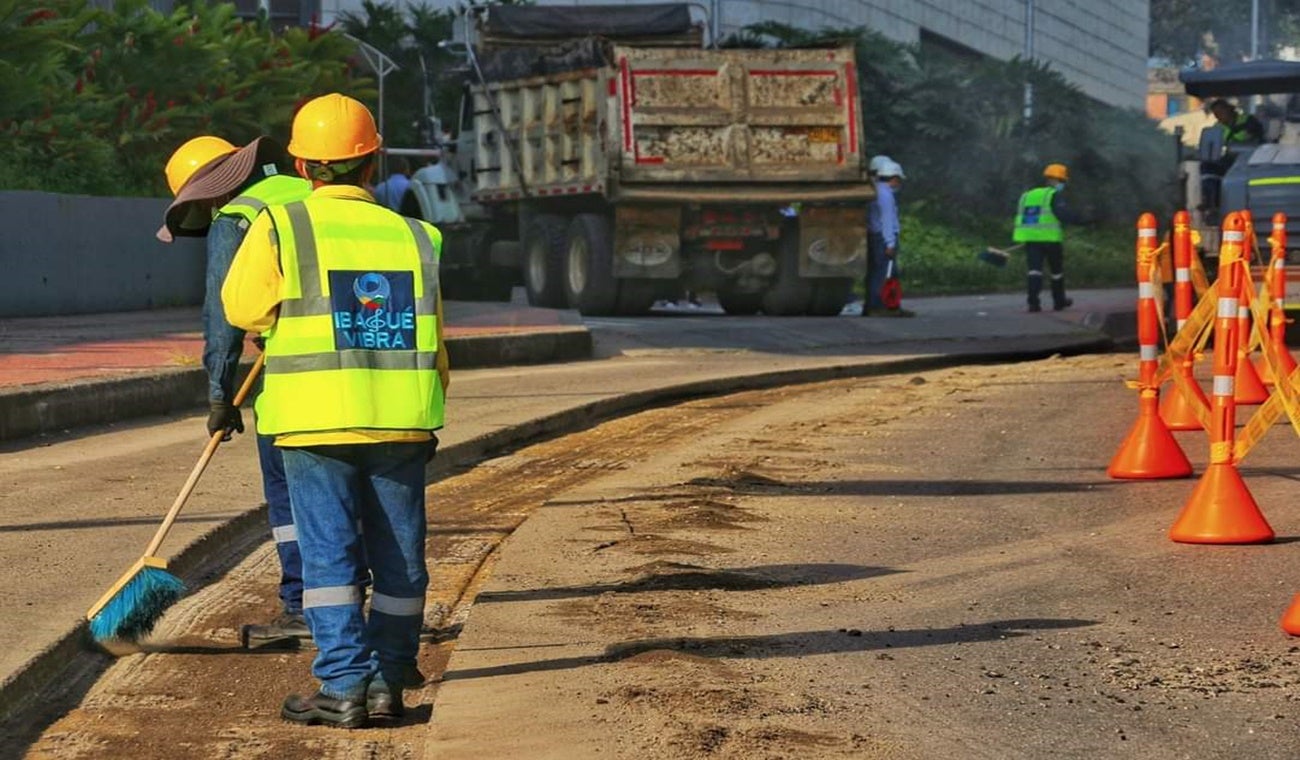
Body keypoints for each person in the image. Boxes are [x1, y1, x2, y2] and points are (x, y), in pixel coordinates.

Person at [222, 93, 449, 729]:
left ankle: (345, 683)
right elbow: (434, 335)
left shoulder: (282, 226)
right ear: (373, 162)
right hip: (402, 418)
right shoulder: (418, 234)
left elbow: (243, 310)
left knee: (328, 557)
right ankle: (392, 676)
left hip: (313, 420)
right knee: (401, 555)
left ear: (300, 166)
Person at [157, 134, 314, 645]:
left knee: (289, 499)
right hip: (368, 363)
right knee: (346, 497)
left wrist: (220, 393)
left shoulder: (239, 218)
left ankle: (301, 606)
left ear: (209, 195)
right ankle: (352, 603)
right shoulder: (311, 190)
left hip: (293, 376)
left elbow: (223, 315)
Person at [1012, 163, 1078, 313]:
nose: (1063, 185)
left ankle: (1033, 303)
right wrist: (1084, 221)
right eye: (1062, 181)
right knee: (1056, 272)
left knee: (1034, 271)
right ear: (1058, 180)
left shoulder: (1027, 195)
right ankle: (1059, 301)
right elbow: (1063, 215)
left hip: (1031, 240)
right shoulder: (1053, 195)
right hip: (1050, 240)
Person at [1199, 99, 1264, 215]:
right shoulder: (1217, 127)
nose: (1219, 117)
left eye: (1220, 113)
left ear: (1229, 109)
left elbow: (1256, 139)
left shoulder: (1248, 121)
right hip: (1227, 160)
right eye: (1216, 114)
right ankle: (1210, 201)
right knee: (1207, 167)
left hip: (1248, 160)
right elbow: (1215, 144)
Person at [864, 159, 911, 317]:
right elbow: (887, 220)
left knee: (879, 272)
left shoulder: (873, 191)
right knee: (884, 273)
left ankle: (881, 305)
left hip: (875, 236)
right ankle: (880, 306)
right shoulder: (885, 195)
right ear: (893, 177)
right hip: (883, 238)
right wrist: (890, 243)